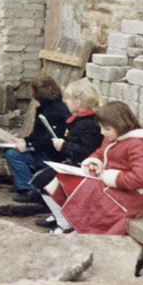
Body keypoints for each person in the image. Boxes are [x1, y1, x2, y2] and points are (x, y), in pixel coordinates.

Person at [43, 101, 143, 235]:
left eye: (107, 129)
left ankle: (79, 228)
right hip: (114, 187)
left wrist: (111, 177)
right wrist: (94, 160)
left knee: (86, 188)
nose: (103, 132)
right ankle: (68, 224)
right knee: (63, 179)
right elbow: (100, 152)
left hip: (132, 196)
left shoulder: (138, 144)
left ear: (121, 124)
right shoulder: (113, 137)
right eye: (101, 128)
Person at [29, 78, 104, 219]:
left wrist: (64, 146)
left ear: (78, 103)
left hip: (83, 167)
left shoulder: (87, 124)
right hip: (74, 163)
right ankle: (58, 214)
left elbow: (87, 150)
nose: (65, 103)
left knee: (44, 180)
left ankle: (63, 219)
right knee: (42, 179)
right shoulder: (80, 121)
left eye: (68, 100)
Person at [3, 74, 70, 200]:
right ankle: (22, 183)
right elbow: (39, 134)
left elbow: (47, 141)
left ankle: (29, 188)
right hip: (47, 151)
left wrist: (28, 146)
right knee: (12, 150)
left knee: (13, 154)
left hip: (52, 157)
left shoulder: (52, 112)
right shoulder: (51, 107)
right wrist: (25, 140)